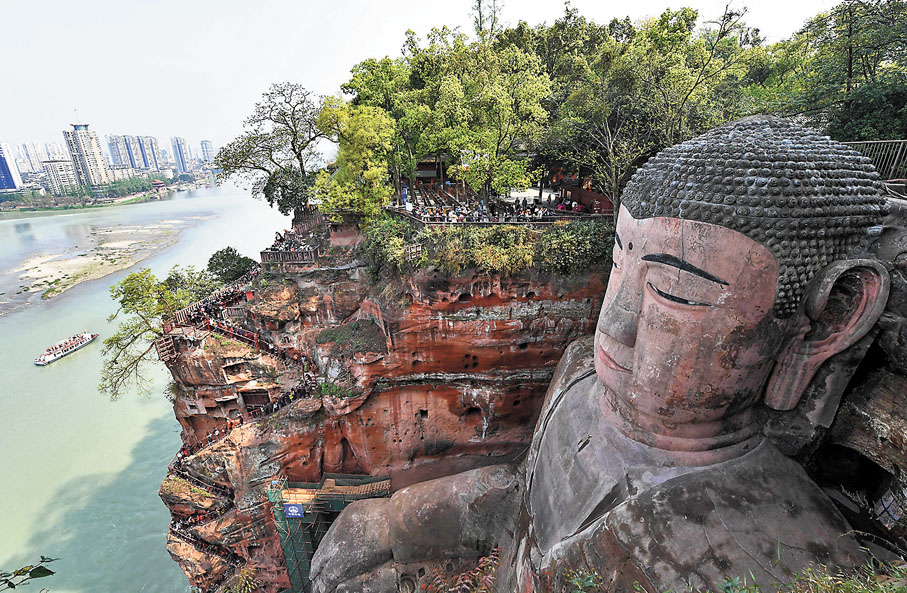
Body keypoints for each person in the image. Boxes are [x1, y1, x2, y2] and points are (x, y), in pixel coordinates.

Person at [309, 116, 892, 593]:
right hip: (505, 561)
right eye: (618, 266)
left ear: (831, 320)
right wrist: (398, 523)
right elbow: (520, 494)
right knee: (356, 539)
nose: (612, 322)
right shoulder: (580, 374)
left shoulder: (782, 558)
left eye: (674, 292)